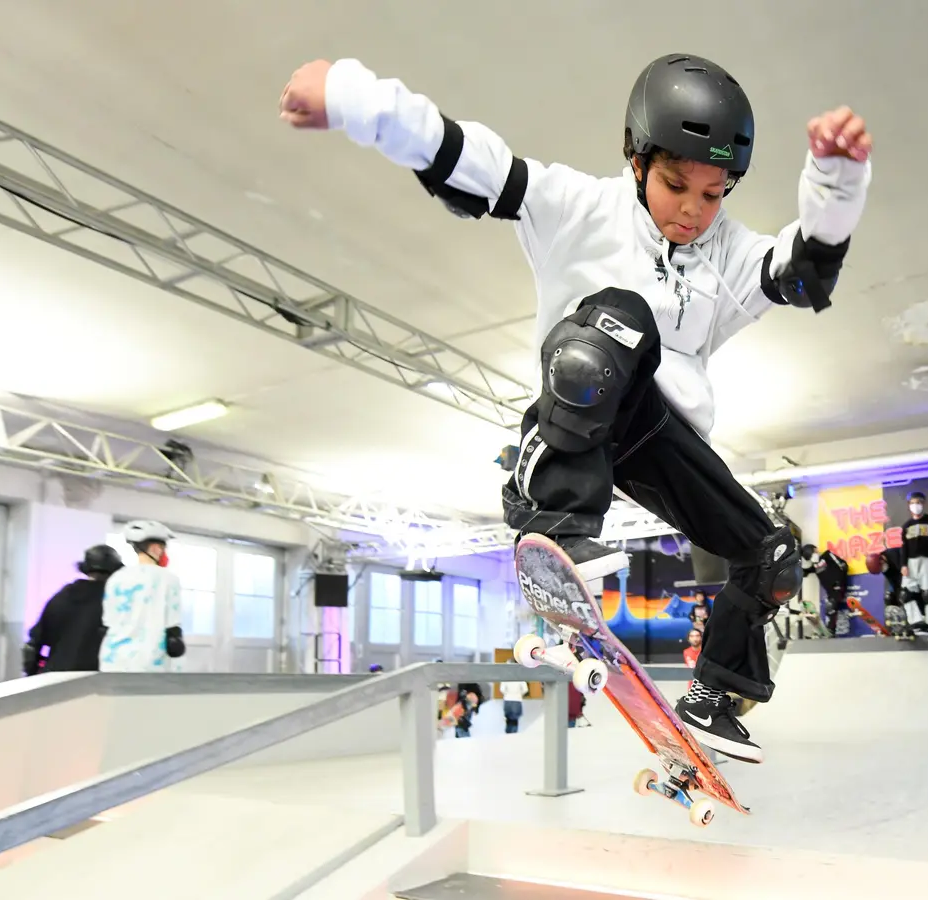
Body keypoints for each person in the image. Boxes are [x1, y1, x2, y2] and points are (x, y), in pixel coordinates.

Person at [279, 53, 871, 764]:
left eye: (714, 194)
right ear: (636, 159)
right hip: (583, 403)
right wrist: (351, 98)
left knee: (769, 551)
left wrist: (836, 183)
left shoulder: (731, 253)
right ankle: (551, 512)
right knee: (619, 318)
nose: (692, 210)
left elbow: (803, 272)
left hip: (659, 436)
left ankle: (716, 695)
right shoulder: (576, 207)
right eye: (676, 184)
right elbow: (469, 159)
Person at [98, 520, 187, 671]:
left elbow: (107, 622)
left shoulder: (116, 578)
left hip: (112, 660)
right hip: (149, 662)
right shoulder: (168, 579)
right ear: (155, 548)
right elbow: (173, 629)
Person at [22, 544, 124, 675]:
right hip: (95, 681)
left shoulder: (63, 596)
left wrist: (33, 675)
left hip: (55, 677)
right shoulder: (115, 600)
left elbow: (32, 646)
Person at [898, 492, 928, 634]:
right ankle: (916, 622)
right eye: (912, 503)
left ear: (923, 504)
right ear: (909, 505)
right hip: (911, 561)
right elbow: (904, 547)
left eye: (918, 502)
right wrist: (903, 564)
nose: (915, 505)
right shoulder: (906, 525)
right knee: (906, 594)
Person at [801, 544, 852, 635]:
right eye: (810, 557)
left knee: (831, 606)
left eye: (812, 554)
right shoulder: (815, 566)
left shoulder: (827, 555)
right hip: (830, 591)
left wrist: (841, 576)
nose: (812, 558)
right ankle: (829, 630)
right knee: (829, 608)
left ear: (816, 550)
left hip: (838, 586)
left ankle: (831, 630)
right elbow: (807, 571)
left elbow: (843, 565)